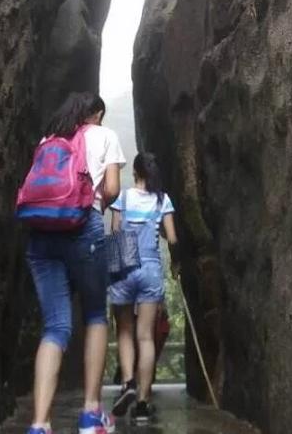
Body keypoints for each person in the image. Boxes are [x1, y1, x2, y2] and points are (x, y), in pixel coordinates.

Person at [25, 92, 126, 434]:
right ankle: (91, 413)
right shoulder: (105, 135)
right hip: (83, 225)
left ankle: (39, 424)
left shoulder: (49, 139)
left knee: (55, 327)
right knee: (95, 314)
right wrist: (97, 203)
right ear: (95, 113)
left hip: (41, 231)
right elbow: (112, 188)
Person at [109, 153, 179, 424]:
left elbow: (116, 231)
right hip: (150, 269)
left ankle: (128, 381)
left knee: (124, 330)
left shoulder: (122, 198)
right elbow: (172, 238)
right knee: (146, 336)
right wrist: (156, 228)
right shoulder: (162, 200)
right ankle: (142, 401)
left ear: (135, 172)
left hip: (125, 266)